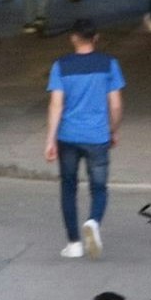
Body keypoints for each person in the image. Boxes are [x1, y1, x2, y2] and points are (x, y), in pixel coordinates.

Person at [45, 20, 121, 258]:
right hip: (98, 137)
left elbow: (56, 104)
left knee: (68, 187)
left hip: (68, 137)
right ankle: (93, 222)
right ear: (96, 38)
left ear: (73, 38)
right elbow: (116, 104)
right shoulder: (109, 64)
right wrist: (113, 130)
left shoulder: (61, 66)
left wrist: (50, 139)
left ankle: (74, 243)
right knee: (99, 188)